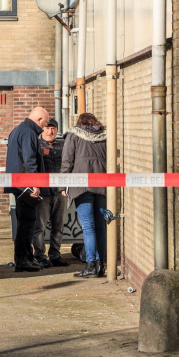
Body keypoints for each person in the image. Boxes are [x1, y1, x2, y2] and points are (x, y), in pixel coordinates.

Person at [61, 113, 107, 278]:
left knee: (88, 227)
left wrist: (62, 185)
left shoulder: (74, 135)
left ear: (79, 122)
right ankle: (101, 264)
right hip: (102, 185)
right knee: (101, 226)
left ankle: (91, 265)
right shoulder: (105, 136)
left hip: (81, 186)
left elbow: (67, 161)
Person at [4, 107, 49, 272]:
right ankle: (23, 260)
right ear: (38, 120)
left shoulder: (18, 130)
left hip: (18, 184)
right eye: (44, 123)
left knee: (25, 222)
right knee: (26, 223)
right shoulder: (29, 133)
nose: (44, 127)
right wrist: (35, 183)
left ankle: (27, 257)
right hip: (25, 185)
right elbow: (29, 160)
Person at [31, 118, 70, 268]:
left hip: (60, 193)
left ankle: (55, 255)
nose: (50, 131)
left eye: (53, 128)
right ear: (42, 130)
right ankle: (40, 256)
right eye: (47, 128)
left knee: (58, 227)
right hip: (43, 193)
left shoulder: (63, 146)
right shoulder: (36, 145)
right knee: (39, 227)